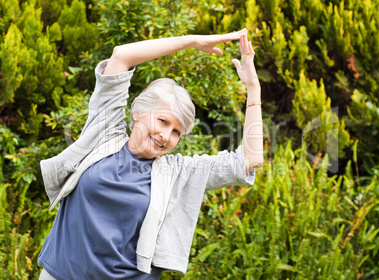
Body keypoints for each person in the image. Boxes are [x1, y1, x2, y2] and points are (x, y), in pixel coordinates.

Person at [38, 28, 263, 280]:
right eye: (163, 121)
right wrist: (191, 41)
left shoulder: (176, 173)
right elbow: (121, 56)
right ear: (138, 114)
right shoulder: (104, 134)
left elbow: (250, 159)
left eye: (177, 132)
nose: (167, 136)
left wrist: (253, 88)